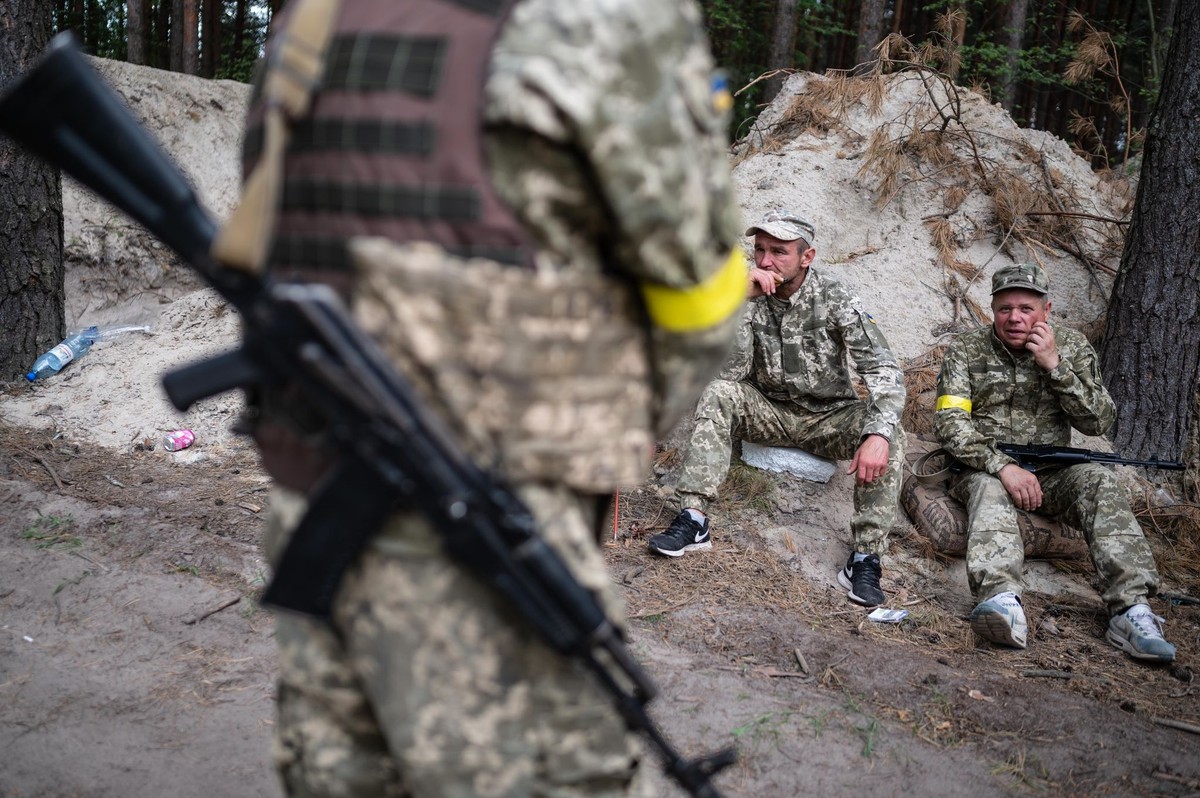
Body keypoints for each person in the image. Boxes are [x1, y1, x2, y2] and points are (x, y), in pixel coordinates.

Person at [237, 1, 746, 795]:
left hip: (315, 508)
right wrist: (618, 424)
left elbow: (275, 234)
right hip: (494, 533)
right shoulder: (607, 14)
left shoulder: (316, 13)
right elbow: (699, 295)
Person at [649, 210, 908, 609]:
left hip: (828, 418)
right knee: (719, 392)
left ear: (807, 257)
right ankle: (694, 519)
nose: (765, 261)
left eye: (779, 252)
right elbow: (728, 371)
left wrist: (877, 434)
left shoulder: (835, 298)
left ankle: (866, 557)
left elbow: (883, 370)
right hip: (767, 410)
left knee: (888, 431)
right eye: (760, 250)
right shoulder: (743, 291)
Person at [934, 263, 1175, 662]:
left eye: (1026, 308)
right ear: (992, 309)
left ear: (1046, 310)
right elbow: (950, 423)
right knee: (988, 487)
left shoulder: (1073, 347)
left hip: (1053, 472)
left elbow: (1099, 421)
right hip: (982, 466)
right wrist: (1000, 465)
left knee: (1099, 480)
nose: (1015, 318)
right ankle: (1001, 601)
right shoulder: (965, 351)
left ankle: (1131, 610)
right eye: (1005, 308)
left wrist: (1055, 367)